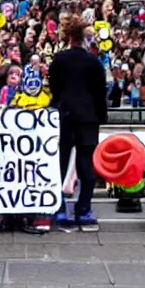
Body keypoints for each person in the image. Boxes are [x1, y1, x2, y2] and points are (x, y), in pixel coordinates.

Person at [49, 15, 107, 229]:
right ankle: (84, 209)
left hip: (64, 116)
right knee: (85, 166)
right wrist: (101, 116)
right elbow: (101, 93)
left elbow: (54, 87)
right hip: (88, 118)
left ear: (68, 37)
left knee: (60, 164)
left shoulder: (59, 59)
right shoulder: (94, 62)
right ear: (84, 38)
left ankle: (60, 207)